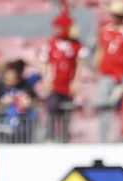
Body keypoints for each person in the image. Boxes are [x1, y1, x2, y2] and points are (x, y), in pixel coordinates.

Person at [38, 12, 87, 142]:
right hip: (54, 86)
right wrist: (46, 80)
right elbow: (43, 63)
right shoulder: (51, 43)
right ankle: (49, 137)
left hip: (68, 86)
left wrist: (76, 82)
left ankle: (64, 139)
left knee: (66, 113)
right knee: (52, 109)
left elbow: (80, 64)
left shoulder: (76, 45)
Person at [94, 0, 123, 143]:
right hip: (106, 75)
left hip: (120, 76)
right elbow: (100, 50)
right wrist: (97, 69)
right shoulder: (104, 30)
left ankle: (120, 139)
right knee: (104, 108)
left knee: (120, 109)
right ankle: (103, 140)